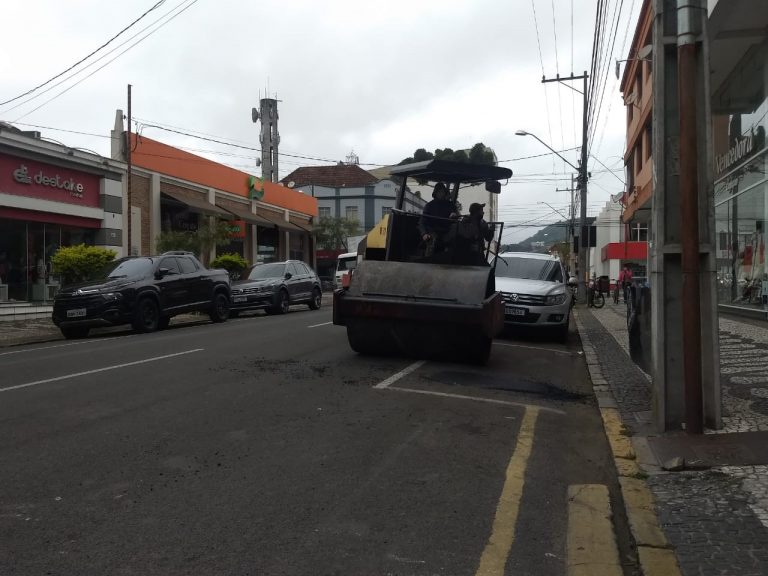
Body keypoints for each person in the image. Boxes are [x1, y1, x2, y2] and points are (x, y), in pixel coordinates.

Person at [418, 182, 457, 254]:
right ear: (435, 193)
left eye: (443, 192)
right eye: (440, 192)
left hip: (446, 231)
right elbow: (422, 222)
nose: (442, 194)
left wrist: (453, 214)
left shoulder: (450, 205)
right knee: (433, 240)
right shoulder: (429, 206)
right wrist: (424, 234)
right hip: (433, 231)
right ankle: (428, 260)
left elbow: (454, 214)